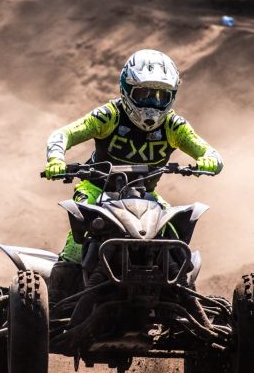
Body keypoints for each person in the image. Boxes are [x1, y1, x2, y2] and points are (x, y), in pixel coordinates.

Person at [44, 49, 223, 308]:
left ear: (172, 96)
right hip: (97, 190)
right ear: (126, 90)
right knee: (77, 238)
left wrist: (210, 160)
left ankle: (185, 298)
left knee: (173, 233)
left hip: (145, 197)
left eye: (161, 96)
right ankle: (54, 305)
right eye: (144, 94)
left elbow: (209, 151)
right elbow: (63, 135)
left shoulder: (174, 126)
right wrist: (55, 160)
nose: (152, 104)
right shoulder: (111, 115)